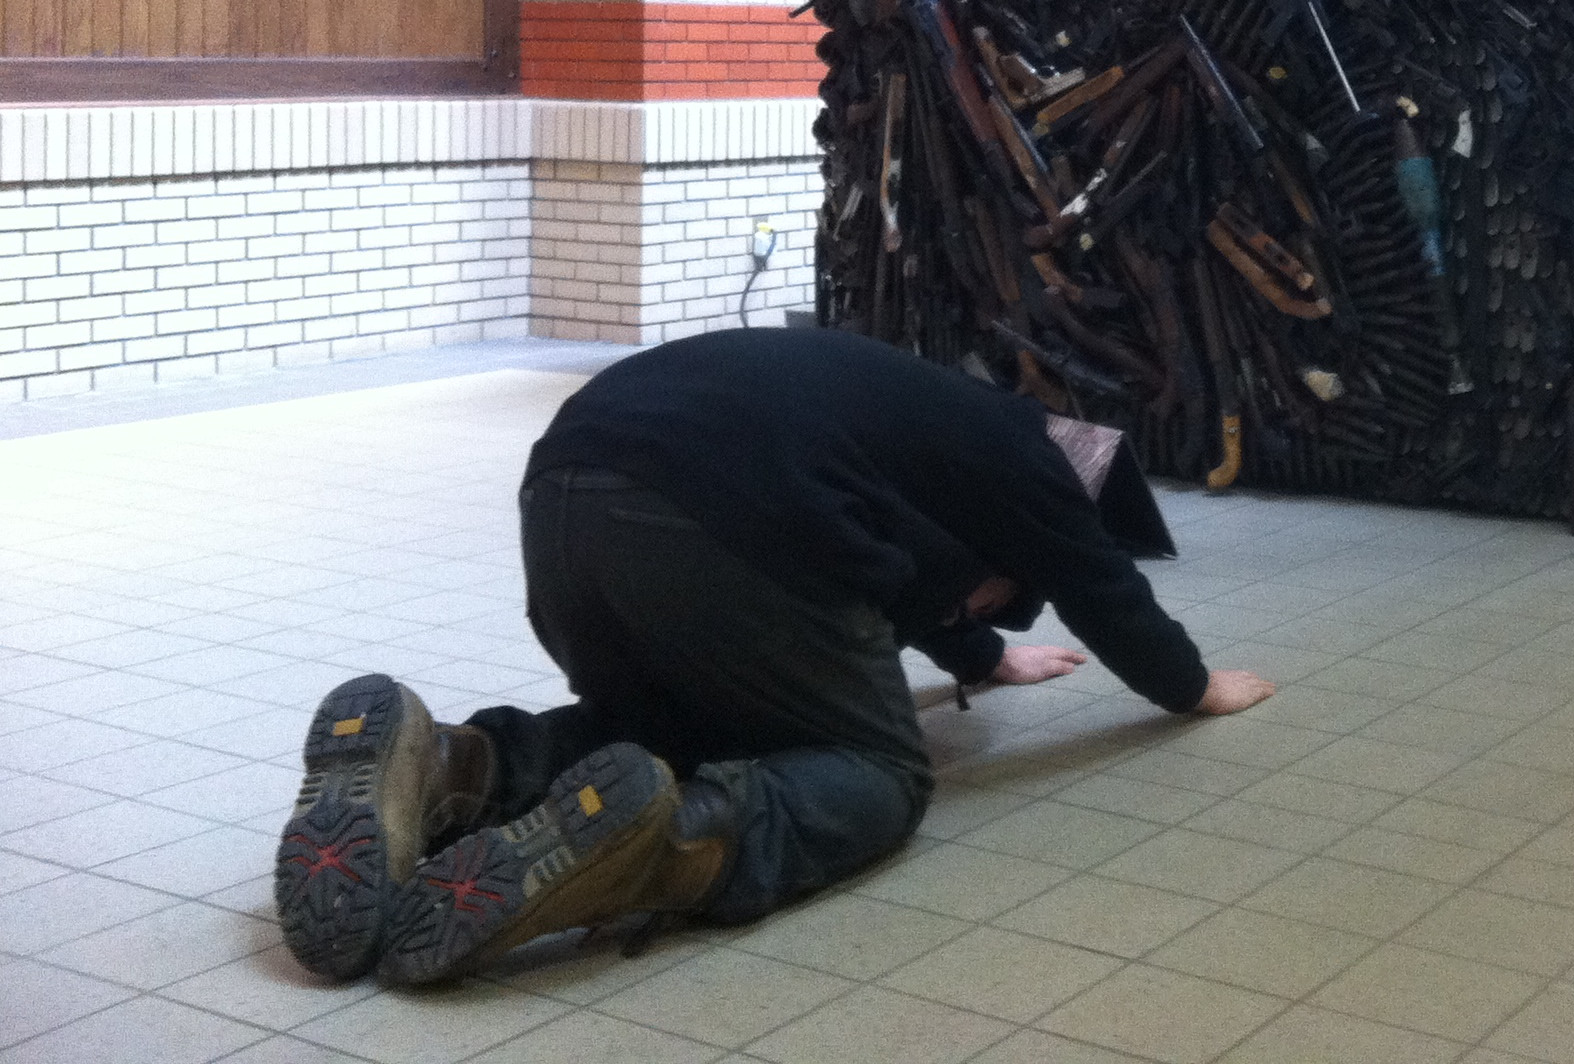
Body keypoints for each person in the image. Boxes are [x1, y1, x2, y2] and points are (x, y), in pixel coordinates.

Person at [273, 329, 1277, 986]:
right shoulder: (1038, 464)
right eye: (1003, 598)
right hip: (718, 526)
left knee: (673, 721)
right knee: (881, 773)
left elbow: (917, 568)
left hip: (563, 506)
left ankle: (458, 765)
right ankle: (668, 844)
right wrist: (1191, 686)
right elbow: (1099, 582)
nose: (993, 608)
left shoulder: (924, 415)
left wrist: (981, 657)